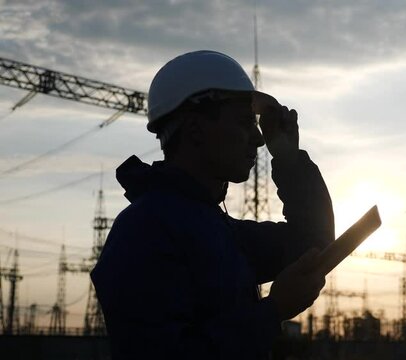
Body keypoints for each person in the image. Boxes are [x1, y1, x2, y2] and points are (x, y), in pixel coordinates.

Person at [90, 50, 334, 359]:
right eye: (245, 122)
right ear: (195, 131)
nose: (258, 140)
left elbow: (313, 246)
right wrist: (271, 312)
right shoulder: (143, 231)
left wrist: (289, 159)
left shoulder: (217, 230)